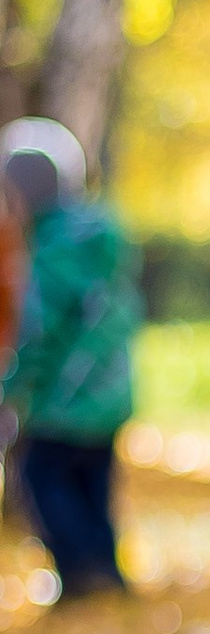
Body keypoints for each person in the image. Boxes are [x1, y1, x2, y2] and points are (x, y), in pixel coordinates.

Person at [2, 120, 141, 600]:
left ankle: (85, 576)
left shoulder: (53, 250)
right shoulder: (102, 237)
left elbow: (39, 333)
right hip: (110, 394)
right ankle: (107, 573)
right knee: (92, 488)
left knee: (40, 479)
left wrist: (11, 387)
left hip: (65, 400)